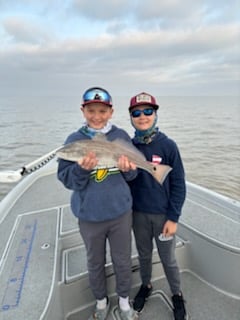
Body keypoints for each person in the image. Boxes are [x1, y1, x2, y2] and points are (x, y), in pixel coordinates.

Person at [57, 87, 138, 320]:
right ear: (83, 110)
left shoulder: (121, 136)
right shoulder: (74, 141)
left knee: (122, 260)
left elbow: (133, 177)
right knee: (95, 262)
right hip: (89, 216)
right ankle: (101, 301)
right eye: (91, 110)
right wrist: (82, 170)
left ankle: (124, 301)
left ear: (110, 111)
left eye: (102, 110)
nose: (96, 116)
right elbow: (66, 179)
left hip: (120, 213)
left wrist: (129, 170)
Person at [127, 92, 187, 320]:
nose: (143, 116)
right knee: (143, 255)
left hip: (163, 217)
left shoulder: (169, 146)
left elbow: (179, 184)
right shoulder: (128, 146)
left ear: (155, 114)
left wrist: (173, 217)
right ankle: (146, 285)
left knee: (168, 259)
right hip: (137, 215)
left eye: (148, 111)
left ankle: (177, 294)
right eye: (137, 112)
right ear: (131, 117)